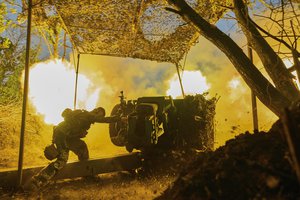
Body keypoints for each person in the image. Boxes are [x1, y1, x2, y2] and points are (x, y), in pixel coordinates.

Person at [25, 107, 112, 191]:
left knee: (82, 147)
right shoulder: (88, 115)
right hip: (62, 136)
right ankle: (37, 181)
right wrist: (119, 119)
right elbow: (104, 120)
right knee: (62, 160)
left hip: (68, 137)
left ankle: (86, 173)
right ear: (96, 111)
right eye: (100, 115)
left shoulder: (83, 114)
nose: (99, 118)